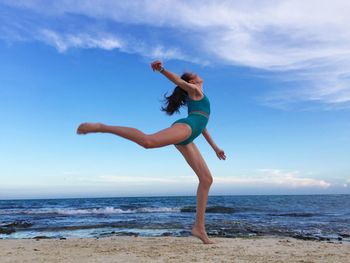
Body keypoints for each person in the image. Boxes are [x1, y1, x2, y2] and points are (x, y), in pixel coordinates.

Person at [77, 60, 226, 244]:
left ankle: (199, 228)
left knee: (206, 179)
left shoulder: (198, 96)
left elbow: (203, 126)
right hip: (185, 128)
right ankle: (102, 127)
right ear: (193, 81)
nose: (196, 73)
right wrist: (162, 70)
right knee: (148, 141)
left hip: (191, 135)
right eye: (192, 74)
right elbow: (179, 82)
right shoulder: (195, 90)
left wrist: (215, 148)